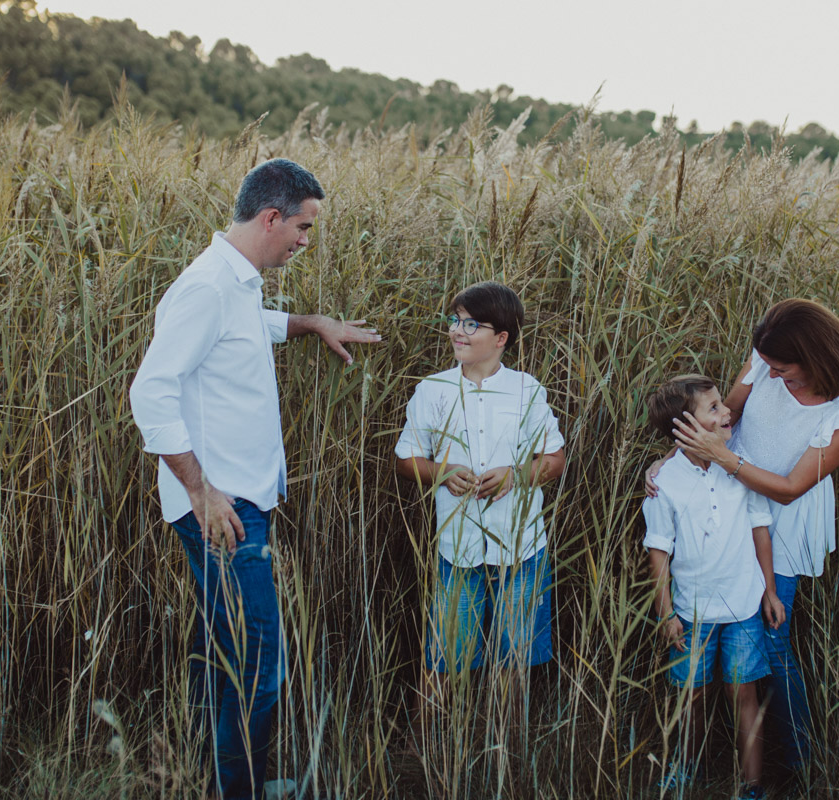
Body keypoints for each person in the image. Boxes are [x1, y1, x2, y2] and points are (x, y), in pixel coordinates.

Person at [129, 158, 380, 800]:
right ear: (271, 217)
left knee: (227, 653)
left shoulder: (236, 284)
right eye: (302, 227)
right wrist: (200, 490)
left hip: (236, 501)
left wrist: (311, 324)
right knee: (259, 666)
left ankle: (218, 780)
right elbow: (151, 393)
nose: (305, 240)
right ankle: (240, 791)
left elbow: (247, 330)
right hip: (224, 510)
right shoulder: (208, 286)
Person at [645, 298, 839, 774]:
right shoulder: (766, 356)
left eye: (783, 369)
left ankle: (799, 763)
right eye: (766, 365)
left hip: (784, 520)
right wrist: (673, 459)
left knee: (771, 641)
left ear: (814, 359)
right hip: (727, 499)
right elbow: (721, 414)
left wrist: (726, 460)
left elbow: (792, 488)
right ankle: (713, 760)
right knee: (737, 637)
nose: (770, 376)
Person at [393, 282, 566, 691]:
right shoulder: (433, 389)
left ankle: (504, 752)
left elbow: (555, 460)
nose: (457, 331)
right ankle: (428, 752)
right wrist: (442, 472)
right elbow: (404, 460)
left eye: (472, 324)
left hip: (521, 546)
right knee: (443, 659)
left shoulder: (528, 391)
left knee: (513, 660)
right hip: (459, 546)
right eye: (454, 320)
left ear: (501, 338)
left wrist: (515, 475)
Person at [643, 374, 784, 800]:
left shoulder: (738, 467)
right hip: (691, 612)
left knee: (744, 694)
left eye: (724, 404)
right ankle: (686, 770)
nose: (727, 414)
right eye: (715, 408)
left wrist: (769, 591)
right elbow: (659, 552)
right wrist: (666, 612)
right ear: (686, 427)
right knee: (693, 697)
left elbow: (761, 531)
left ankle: (752, 786)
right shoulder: (664, 482)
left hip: (742, 608)